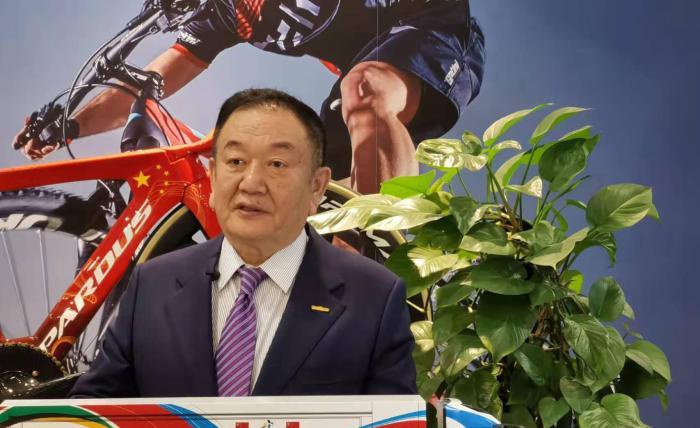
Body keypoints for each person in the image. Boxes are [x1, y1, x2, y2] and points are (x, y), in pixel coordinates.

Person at [69, 88, 417, 398]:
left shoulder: (373, 295)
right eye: (235, 162)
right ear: (213, 175)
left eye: (277, 164)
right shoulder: (152, 284)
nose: (251, 183)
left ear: (317, 186)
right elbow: (92, 416)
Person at [14, 0, 485, 194]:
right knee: (315, 201)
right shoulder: (223, 15)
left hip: (435, 30)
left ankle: (387, 249)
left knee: (365, 88)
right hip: (359, 78)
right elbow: (147, 84)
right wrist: (70, 125)